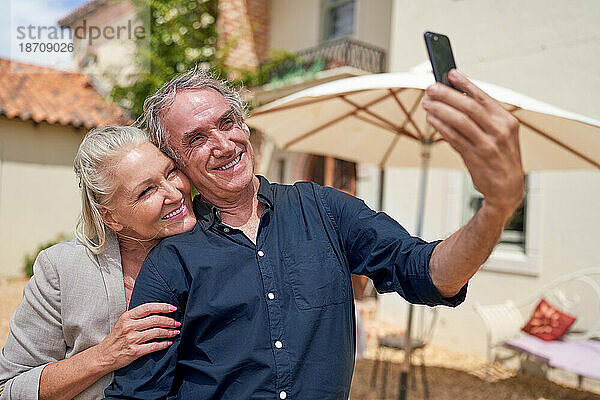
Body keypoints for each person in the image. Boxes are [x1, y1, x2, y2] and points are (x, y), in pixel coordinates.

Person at [104, 67, 524, 399]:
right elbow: (140, 394)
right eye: (197, 139)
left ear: (244, 126)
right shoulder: (171, 260)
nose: (224, 144)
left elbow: (430, 273)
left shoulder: (326, 210)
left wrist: (496, 208)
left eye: (227, 122)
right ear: (177, 161)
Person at [0, 126, 197, 399]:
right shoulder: (63, 269)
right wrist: (106, 355)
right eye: (146, 191)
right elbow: (11, 387)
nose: (174, 194)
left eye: (170, 172)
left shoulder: (220, 245)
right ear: (111, 217)